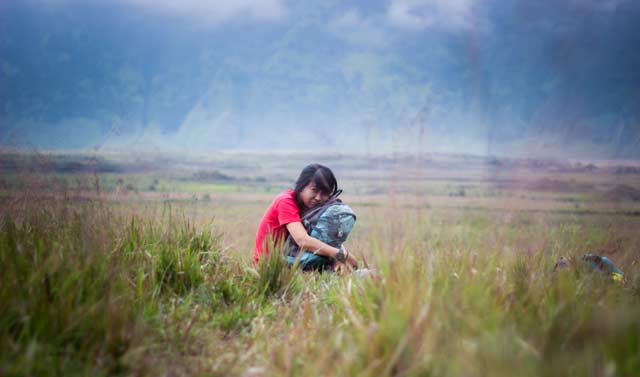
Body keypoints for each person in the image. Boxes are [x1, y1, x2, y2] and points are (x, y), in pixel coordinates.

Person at [253, 163, 358, 270]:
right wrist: (342, 255)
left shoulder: (312, 207)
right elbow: (302, 241)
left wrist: (339, 255)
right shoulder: (285, 201)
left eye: (325, 193)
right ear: (302, 186)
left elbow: (327, 237)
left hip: (292, 264)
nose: (318, 197)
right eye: (314, 190)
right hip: (268, 268)